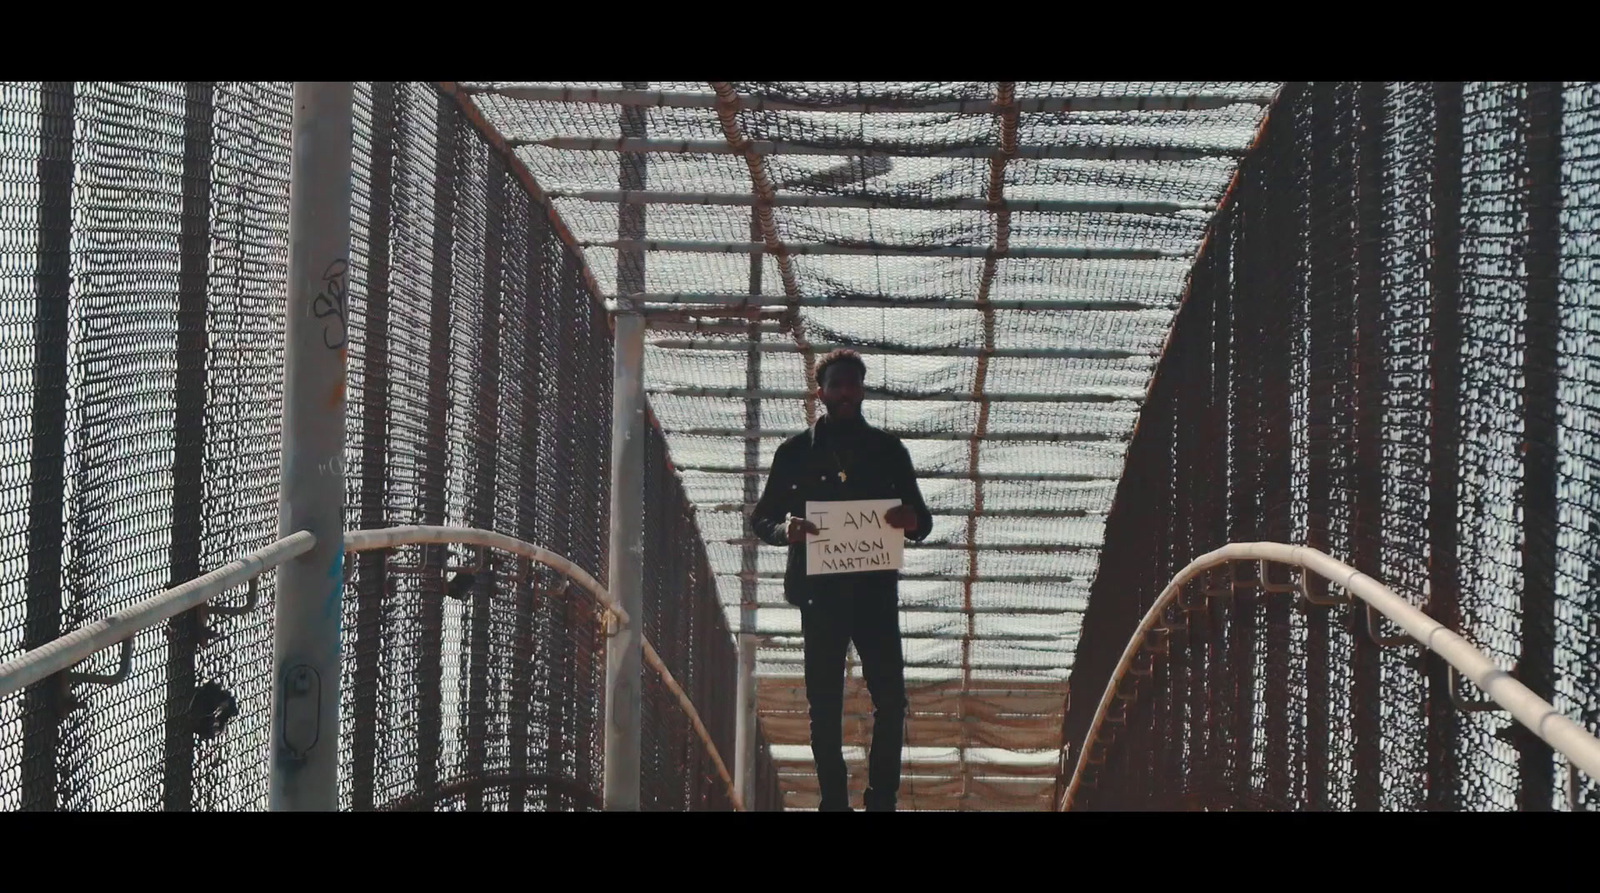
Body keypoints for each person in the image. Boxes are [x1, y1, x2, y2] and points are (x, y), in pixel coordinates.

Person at [750, 349, 933, 812]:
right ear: (821, 392)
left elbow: (923, 521)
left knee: (891, 700)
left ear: (863, 388)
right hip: (820, 596)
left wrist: (909, 519)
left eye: (853, 384)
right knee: (824, 705)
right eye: (837, 385)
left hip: (874, 593)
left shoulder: (889, 451)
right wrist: (784, 531)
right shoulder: (794, 454)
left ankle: (881, 799)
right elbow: (761, 519)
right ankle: (834, 801)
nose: (846, 393)